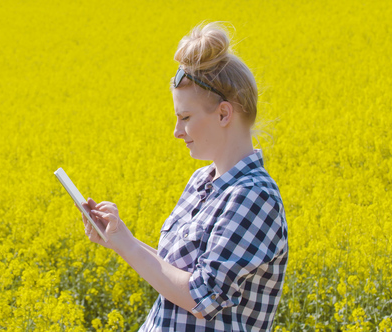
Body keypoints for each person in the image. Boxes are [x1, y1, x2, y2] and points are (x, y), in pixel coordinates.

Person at [77, 21, 288, 331]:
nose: (177, 132)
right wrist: (119, 235)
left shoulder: (255, 197)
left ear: (224, 114)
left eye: (185, 118)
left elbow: (202, 296)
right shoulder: (202, 183)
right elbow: (175, 271)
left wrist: (127, 245)